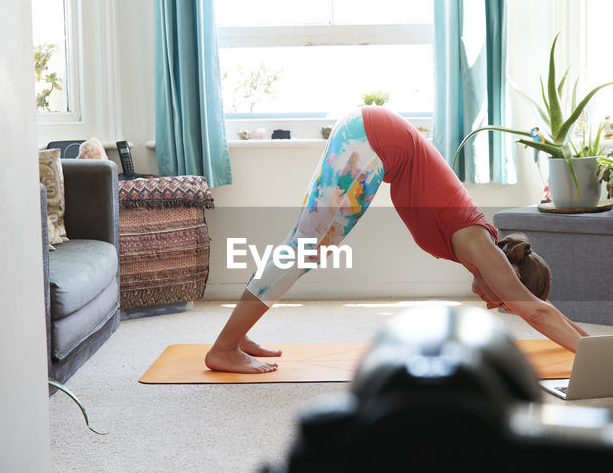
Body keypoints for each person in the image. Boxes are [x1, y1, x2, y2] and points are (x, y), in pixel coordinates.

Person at [205, 106, 589, 373]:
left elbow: (540, 308)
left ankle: (236, 336)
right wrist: (595, 355)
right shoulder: (479, 245)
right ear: (510, 274)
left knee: (300, 246)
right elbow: (536, 310)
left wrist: (589, 341)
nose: (492, 306)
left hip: (370, 135)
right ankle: (224, 348)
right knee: (302, 251)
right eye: (503, 299)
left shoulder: (476, 246)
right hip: (372, 141)